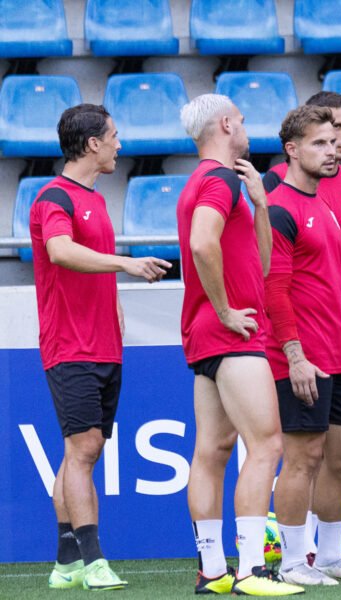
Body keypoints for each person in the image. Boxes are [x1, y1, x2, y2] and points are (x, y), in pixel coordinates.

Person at [34, 104, 170, 591]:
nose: (119, 143)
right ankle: (92, 561)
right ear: (92, 144)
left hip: (103, 346)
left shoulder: (94, 199)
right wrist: (126, 265)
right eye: (113, 136)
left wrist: (114, 313)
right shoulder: (54, 197)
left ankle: (65, 562)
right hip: (70, 346)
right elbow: (60, 251)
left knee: (78, 454)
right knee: (84, 449)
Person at [177, 94, 303, 596]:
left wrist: (262, 206)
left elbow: (263, 263)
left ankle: (213, 570)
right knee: (268, 443)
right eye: (244, 121)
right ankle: (251, 569)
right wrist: (228, 309)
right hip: (234, 333)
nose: (249, 129)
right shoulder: (220, 179)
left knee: (212, 450)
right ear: (226, 124)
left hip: (206, 336)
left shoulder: (206, 182)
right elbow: (203, 244)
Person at [263, 92, 341, 578]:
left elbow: (335, 283)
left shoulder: (330, 206)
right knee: (303, 456)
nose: (334, 149)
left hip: (337, 350)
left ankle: (330, 555)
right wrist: (294, 356)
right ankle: (294, 560)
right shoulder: (278, 208)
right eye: (320, 142)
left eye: (336, 141)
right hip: (301, 355)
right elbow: (275, 291)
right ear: (292, 150)